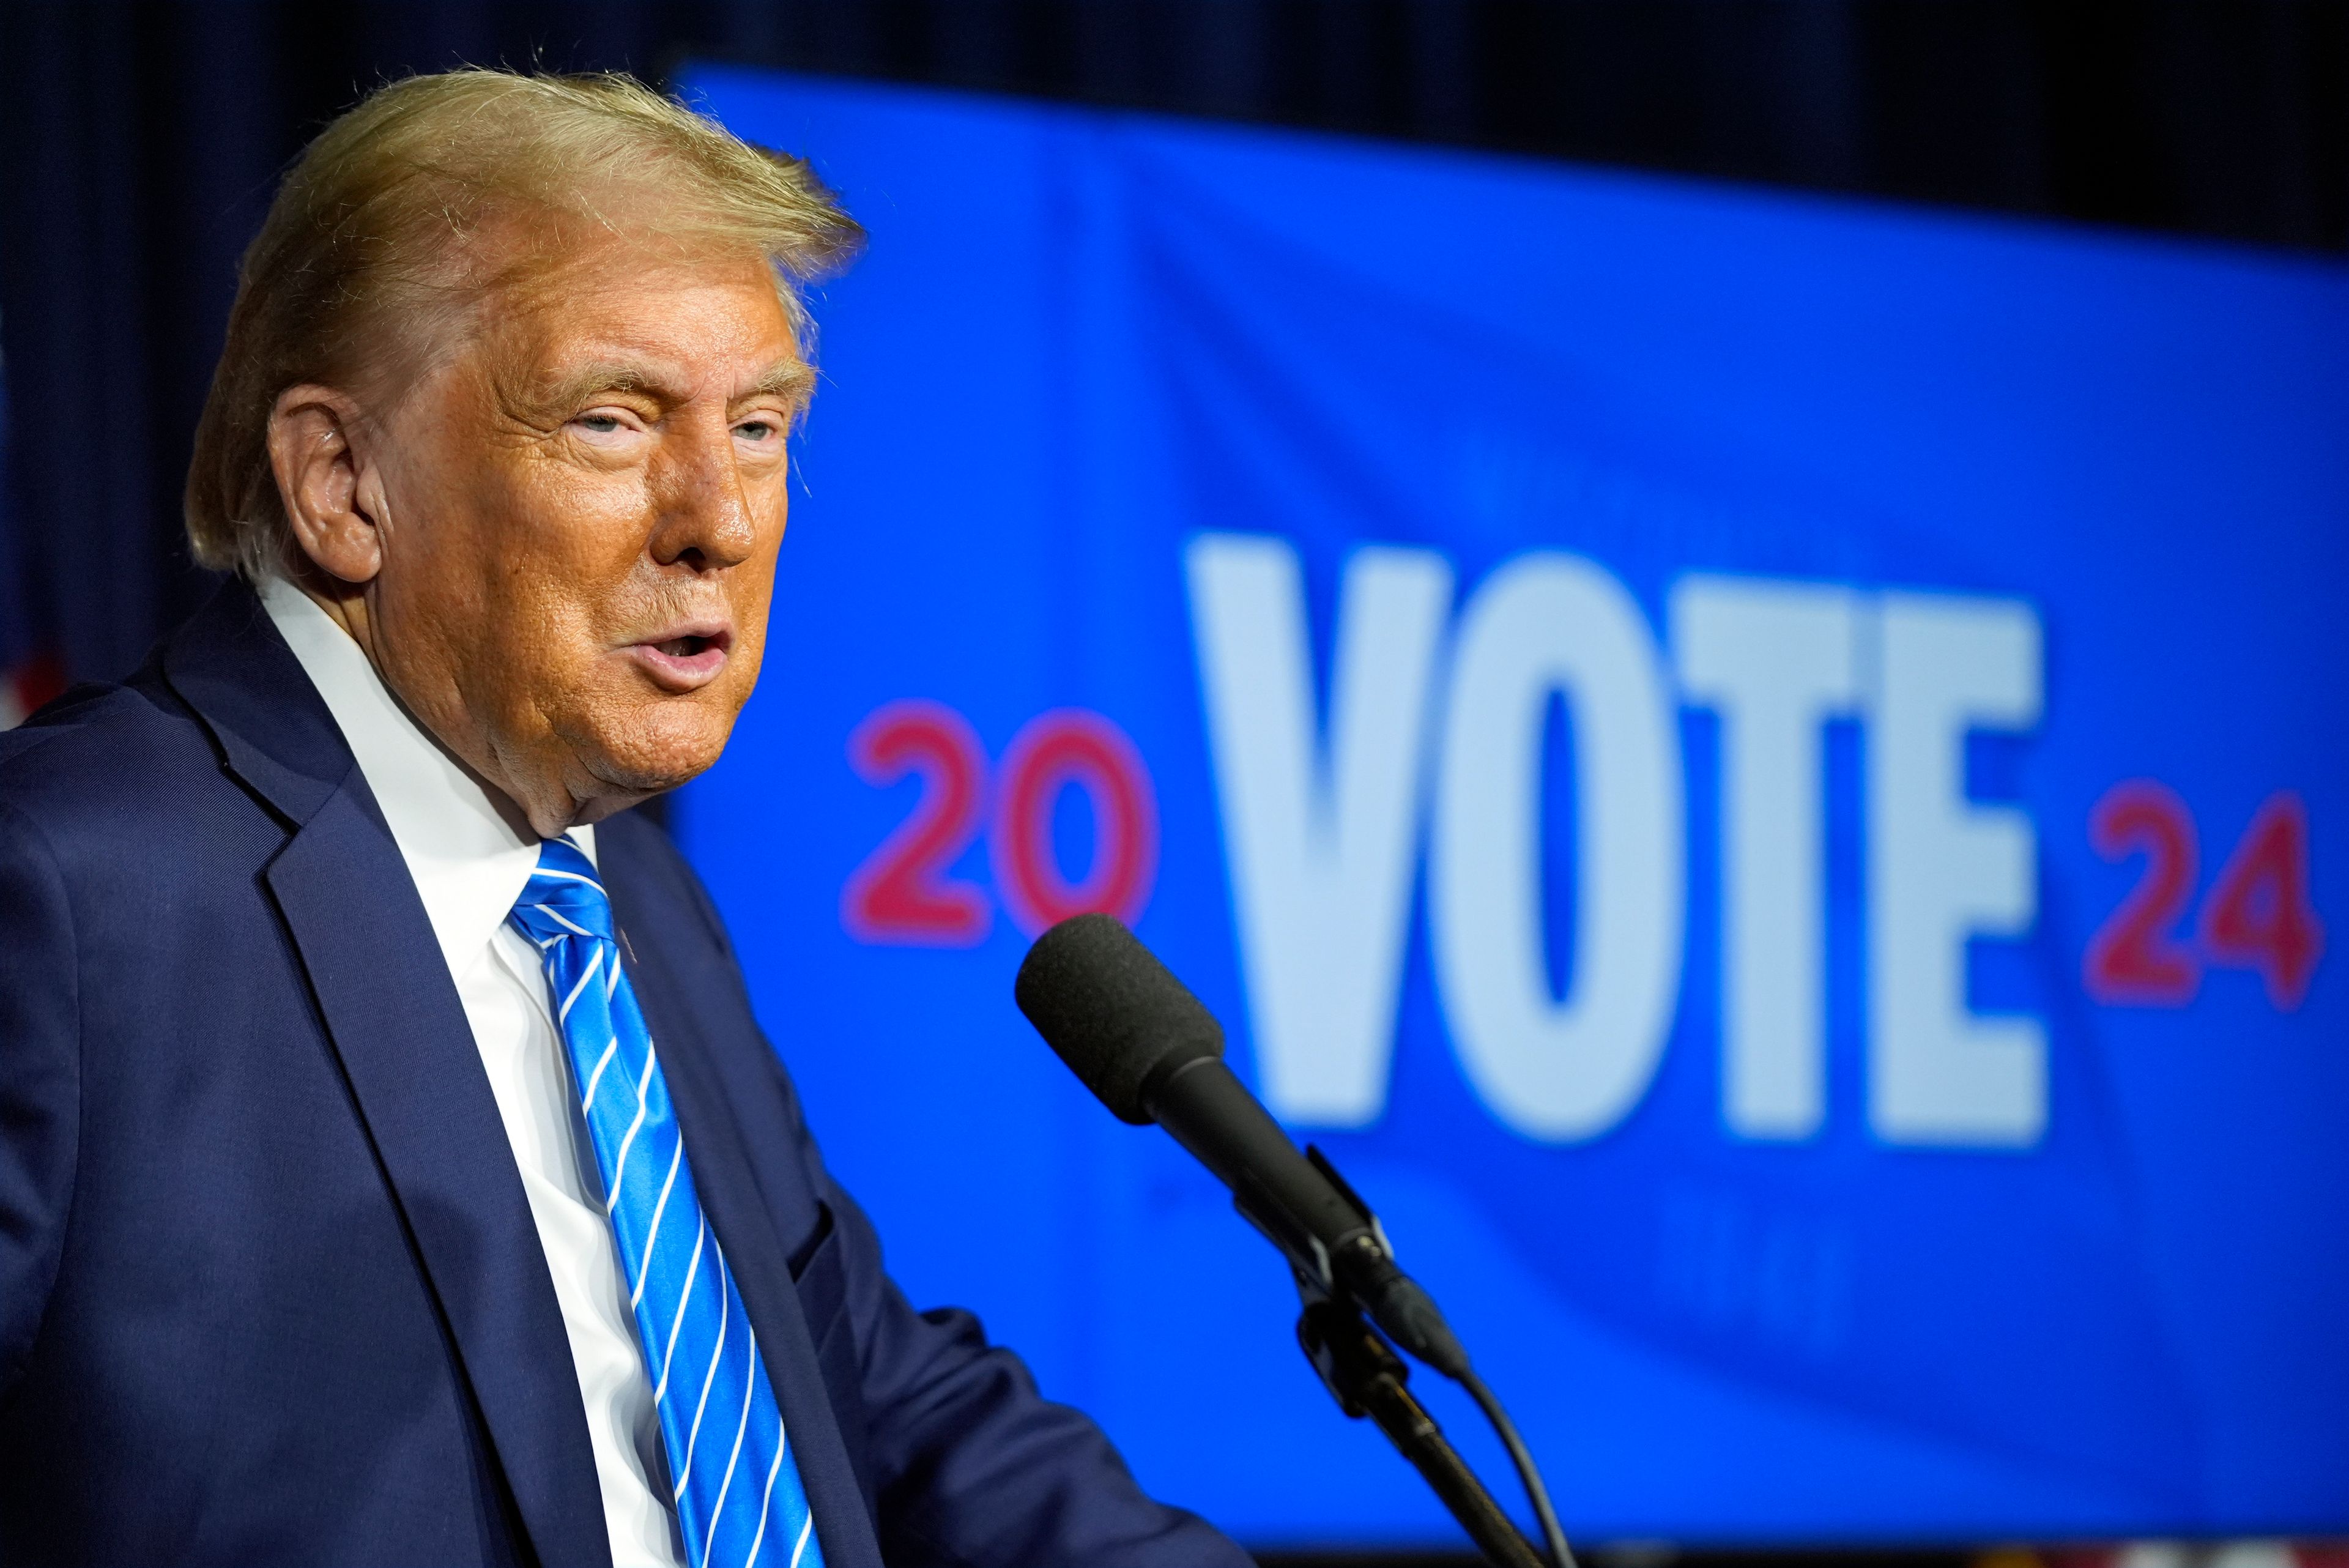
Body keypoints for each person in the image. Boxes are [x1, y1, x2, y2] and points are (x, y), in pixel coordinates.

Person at [0, 69, 1252, 1568]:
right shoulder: (71, 890)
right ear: (343, 485)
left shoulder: (626, 904)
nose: (718, 518)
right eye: (611, 420)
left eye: (762, 424)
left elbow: (862, 1392)